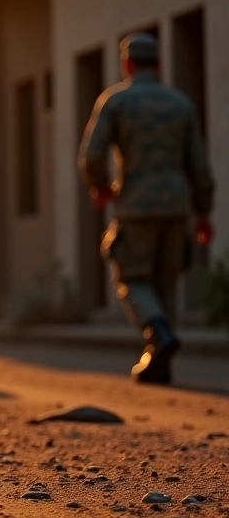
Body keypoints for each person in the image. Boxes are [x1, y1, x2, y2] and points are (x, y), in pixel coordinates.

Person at [79, 32, 215, 384]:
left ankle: (158, 332)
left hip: (136, 206)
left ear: (127, 64)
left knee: (131, 278)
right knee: (166, 285)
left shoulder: (116, 101)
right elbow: (199, 166)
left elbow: (92, 155)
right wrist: (203, 212)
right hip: (177, 207)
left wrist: (101, 187)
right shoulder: (180, 104)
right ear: (159, 64)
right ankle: (159, 364)